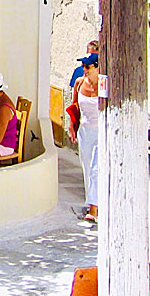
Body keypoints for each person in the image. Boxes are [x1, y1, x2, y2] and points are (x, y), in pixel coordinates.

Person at [68, 52, 100, 223]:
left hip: (100, 131)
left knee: (96, 169)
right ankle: (92, 203)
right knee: (87, 168)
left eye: (87, 66)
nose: (84, 69)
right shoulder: (80, 83)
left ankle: (93, 209)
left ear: (97, 67)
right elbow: (75, 106)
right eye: (83, 66)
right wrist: (72, 125)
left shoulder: (104, 85)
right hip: (85, 132)